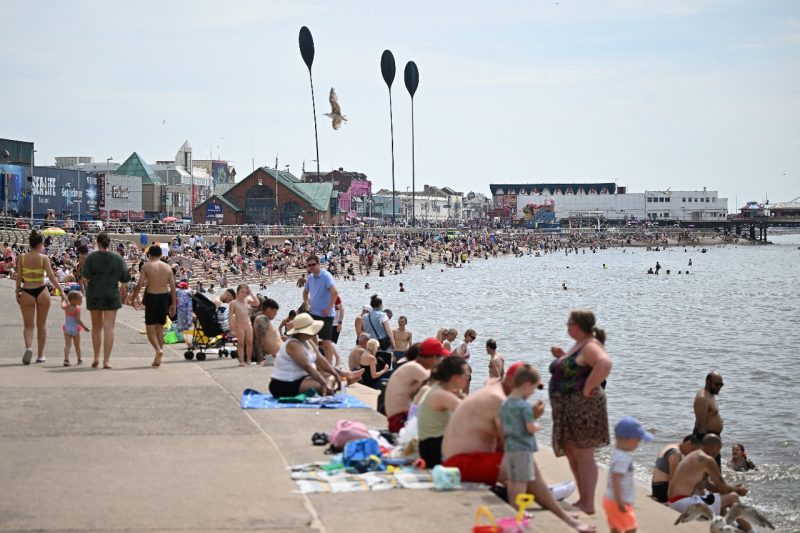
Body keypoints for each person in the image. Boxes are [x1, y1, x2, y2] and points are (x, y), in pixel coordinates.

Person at [441, 362, 594, 533]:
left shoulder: (494, 391)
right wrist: (532, 418)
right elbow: (508, 441)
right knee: (526, 462)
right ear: (518, 383)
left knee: (523, 464)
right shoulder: (499, 400)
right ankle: (562, 516)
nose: (531, 394)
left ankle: (555, 509)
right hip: (461, 464)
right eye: (531, 389)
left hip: (455, 461)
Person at [549, 309, 612, 515]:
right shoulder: (581, 345)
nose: (567, 326)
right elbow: (578, 368)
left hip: (584, 409)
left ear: (577, 325)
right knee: (572, 452)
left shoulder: (590, 345)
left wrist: (587, 389)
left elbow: (604, 363)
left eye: (569, 323)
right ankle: (583, 499)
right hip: (570, 409)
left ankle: (588, 503)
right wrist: (562, 357)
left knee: (583, 454)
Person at [668, 434, 752, 532]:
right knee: (733, 497)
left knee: (720, 496)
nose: (718, 453)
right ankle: (751, 531)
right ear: (715, 447)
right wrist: (738, 490)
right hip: (684, 503)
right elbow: (723, 487)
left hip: (673, 501)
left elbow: (709, 486)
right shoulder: (707, 460)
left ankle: (728, 525)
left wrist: (731, 487)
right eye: (719, 449)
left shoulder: (693, 455)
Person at [268, 313, 362, 398]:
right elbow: (308, 367)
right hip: (284, 383)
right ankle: (336, 385)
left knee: (331, 376)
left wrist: (337, 374)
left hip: (301, 379)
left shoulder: (308, 342)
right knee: (322, 384)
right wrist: (323, 382)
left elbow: (321, 360)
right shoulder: (293, 344)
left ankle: (337, 384)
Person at [81, 232, 131, 369]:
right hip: (111, 294)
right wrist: (122, 288)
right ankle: (106, 360)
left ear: (97, 243)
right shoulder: (117, 257)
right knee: (109, 327)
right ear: (109, 243)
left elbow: (84, 278)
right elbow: (125, 279)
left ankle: (96, 357)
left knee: (96, 327)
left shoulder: (91, 257)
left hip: (95, 294)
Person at [16, 230, 66, 364]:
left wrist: (17, 292)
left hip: (27, 291)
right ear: (40, 244)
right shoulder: (44, 258)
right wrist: (62, 293)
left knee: (28, 326)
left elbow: (19, 277)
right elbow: (51, 277)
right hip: (42, 291)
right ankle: (40, 355)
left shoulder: (22, 257)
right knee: (41, 325)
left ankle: (29, 347)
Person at [384, 338, 450, 433]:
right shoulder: (414, 367)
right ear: (433, 358)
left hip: (399, 419)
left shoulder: (413, 366)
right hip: (400, 422)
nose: (440, 361)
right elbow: (439, 384)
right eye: (440, 358)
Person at [498, 364, 542, 504]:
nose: (533, 392)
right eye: (534, 388)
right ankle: (519, 508)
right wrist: (537, 426)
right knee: (522, 480)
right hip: (523, 448)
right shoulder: (524, 407)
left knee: (512, 480)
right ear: (527, 385)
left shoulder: (505, 403)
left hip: (510, 447)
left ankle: (513, 505)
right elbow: (529, 427)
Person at [415, 355, 468, 468]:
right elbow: (468, 413)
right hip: (434, 453)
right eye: (465, 375)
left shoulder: (438, 388)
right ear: (455, 378)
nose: (467, 378)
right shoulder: (441, 395)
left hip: (431, 447)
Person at [602, 417, 653, 533]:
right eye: (638, 440)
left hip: (609, 499)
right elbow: (616, 479)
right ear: (629, 439)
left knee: (616, 528)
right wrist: (620, 501)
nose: (639, 443)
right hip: (618, 501)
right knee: (631, 528)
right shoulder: (623, 458)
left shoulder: (617, 453)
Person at [132, 245, 177, 367]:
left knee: (150, 329)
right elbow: (172, 287)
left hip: (152, 297)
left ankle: (158, 350)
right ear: (161, 255)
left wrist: (133, 298)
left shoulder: (147, 266)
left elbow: (140, 284)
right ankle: (158, 358)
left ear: (149, 255)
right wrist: (173, 304)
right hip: (164, 298)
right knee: (160, 329)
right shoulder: (167, 267)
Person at [302, 255, 338, 365]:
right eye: (309, 265)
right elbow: (305, 292)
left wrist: (330, 308)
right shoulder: (310, 277)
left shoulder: (326, 276)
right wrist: (306, 304)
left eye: (313, 264)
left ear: (318, 264)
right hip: (313, 313)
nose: (311, 267)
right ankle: (318, 363)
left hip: (326, 315)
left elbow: (335, 292)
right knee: (312, 341)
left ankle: (329, 367)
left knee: (326, 343)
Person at [650, 434, 700, 503]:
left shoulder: (669, 447)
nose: (691, 453)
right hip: (663, 491)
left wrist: (653, 493)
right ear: (688, 443)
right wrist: (670, 499)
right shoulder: (676, 453)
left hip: (655, 488)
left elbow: (656, 469)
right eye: (692, 450)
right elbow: (672, 478)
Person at [694, 371, 725, 467]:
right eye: (716, 384)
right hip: (707, 440)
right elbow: (700, 425)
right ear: (708, 382)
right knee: (710, 473)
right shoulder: (702, 398)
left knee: (714, 473)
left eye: (721, 385)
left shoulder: (710, 395)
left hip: (713, 439)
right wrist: (707, 449)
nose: (719, 387)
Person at [229, 284, 257, 366]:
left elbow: (257, 303)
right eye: (242, 292)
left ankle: (248, 360)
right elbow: (230, 316)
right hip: (239, 325)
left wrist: (251, 293)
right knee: (241, 343)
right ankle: (241, 361)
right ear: (237, 293)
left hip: (248, 324)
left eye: (245, 292)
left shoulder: (247, 300)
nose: (244, 294)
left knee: (250, 342)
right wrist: (232, 327)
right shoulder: (233, 303)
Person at [62, 290, 89, 366]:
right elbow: (78, 320)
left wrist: (65, 299)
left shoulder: (66, 307)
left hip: (67, 327)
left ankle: (66, 359)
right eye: (80, 299)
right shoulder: (77, 309)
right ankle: (79, 359)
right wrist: (84, 327)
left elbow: (62, 305)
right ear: (74, 300)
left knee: (67, 345)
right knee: (77, 345)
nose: (81, 301)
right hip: (75, 328)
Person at [253, 298, 280, 364]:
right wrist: (260, 359)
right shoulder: (261, 319)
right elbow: (258, 340)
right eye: (275, 312)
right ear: (268, 310)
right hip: (264, 356)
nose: (276, 314)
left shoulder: (262, 318)